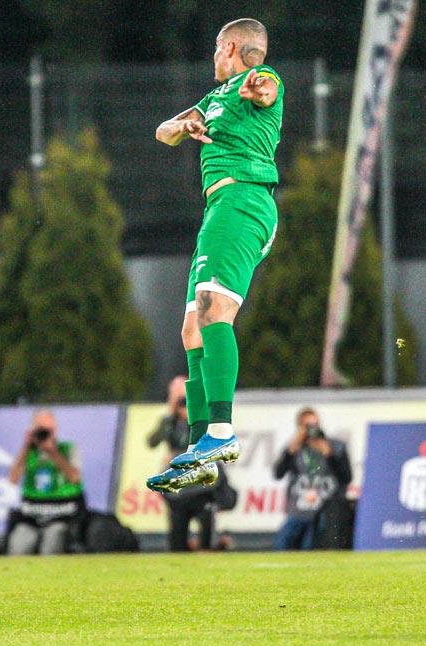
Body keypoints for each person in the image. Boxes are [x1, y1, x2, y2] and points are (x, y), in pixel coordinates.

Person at [147, 17, 284, 493]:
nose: (212, 57)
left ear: (228, 47)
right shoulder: (212, 99)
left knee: (213, 309)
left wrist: (259, 88)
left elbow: (265, 85)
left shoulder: (256, 79)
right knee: (192, 326)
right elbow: (162, 132)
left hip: (243, 201)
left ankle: (222, 432)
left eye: (215, 49)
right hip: (221, 210)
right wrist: (182, 125)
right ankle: (199, 446)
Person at [148, 376, 228, 551]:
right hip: (179, 489)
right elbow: (152, 441)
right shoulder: (170, 422)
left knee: (206, 534)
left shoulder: (203, 419)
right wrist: (171, 414)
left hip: (201, 486)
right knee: (177, 537)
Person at [273, 408, 353, 550]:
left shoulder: (335, 446)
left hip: (325, 510)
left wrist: (329, 454)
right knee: (282, 547)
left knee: (312, 548)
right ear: (300, 427)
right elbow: (278, 473)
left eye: (315, 424)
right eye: (308, 426)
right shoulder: (295, 448)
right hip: (298, 509)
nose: (313, 430)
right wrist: (291, 450)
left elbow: (347, 477)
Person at [6, 411, 85, 555]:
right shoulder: (29, 452)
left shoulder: (67, 449)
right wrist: (25, 447)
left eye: (50, 429)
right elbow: (12, 479)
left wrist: (53, 452)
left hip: (62, 513)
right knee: (19, 540)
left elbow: (74, 477)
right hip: (32, 515)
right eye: (42, 429)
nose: (46, 433)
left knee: (53, 537)